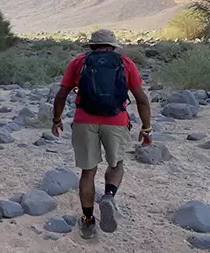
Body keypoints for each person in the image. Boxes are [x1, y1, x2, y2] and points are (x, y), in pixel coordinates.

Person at [52, 29, 152, 240]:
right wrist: (146, 128)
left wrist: (56, 120)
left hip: (84, 121)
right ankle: (109, 195)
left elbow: (61, 94)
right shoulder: (125, 63)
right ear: (113, 46)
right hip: (116, 121)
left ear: (91, 46)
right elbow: (142, 99)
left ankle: (88, 221)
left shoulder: (78, 62)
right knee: (116, 165)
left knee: (88, 172)